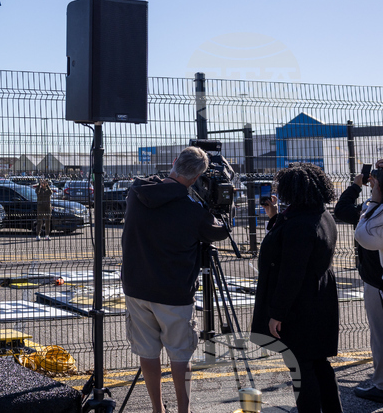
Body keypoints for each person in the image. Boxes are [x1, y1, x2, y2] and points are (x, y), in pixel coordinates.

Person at [121, 146, 229, 413]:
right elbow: (220, 231)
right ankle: (184, 409)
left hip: (136, 286)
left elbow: (160, 188)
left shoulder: (138, 191)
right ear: (196, 178)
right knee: (180, 354)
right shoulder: (193, 212)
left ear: (174, 162)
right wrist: (226, 205)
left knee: (147, 351)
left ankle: (158, 408)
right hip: (173, 293)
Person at [251, 163, 341, 413]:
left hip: (299, 306)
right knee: (318, 363)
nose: (278, 191)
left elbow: (291, 273)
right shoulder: (320, 215)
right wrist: (275, 217)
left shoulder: (299, 225)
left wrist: (277, 313)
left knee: (302, 368)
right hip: (319, 298)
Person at [336, 160, 383, 403]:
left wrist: (357, 187)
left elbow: (342, 210)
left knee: (379, 333)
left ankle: (381, 384)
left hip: (378, 281)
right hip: (376, 279)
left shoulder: (373, 213)